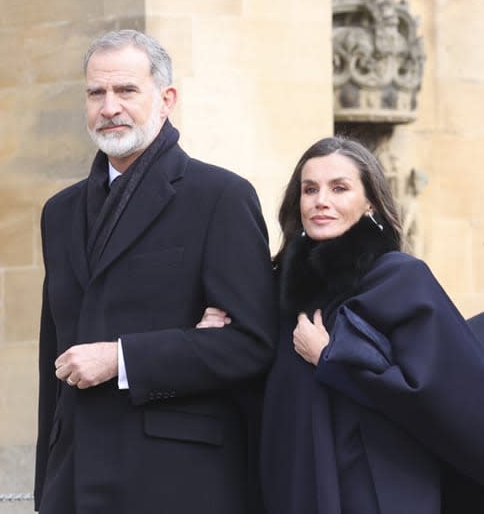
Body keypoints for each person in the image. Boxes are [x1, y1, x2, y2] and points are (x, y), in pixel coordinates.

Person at [34, 29, 277, 514]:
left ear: (166, 99)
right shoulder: (58, 213)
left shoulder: (219, 197)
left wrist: (123, 358)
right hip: (76, 481)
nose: (109, 107)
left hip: (179, 482)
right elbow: (51, 360)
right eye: (96, 93)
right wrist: (47, 487)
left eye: (126, 90)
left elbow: (252, 344)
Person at [199, 136, 484, 513]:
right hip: (292, 484)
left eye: (340, 188)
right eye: (310, 189)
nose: (321, 201)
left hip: (378, 488)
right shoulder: (277, 290)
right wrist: (217, 341)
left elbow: (447, 401)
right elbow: (261, 392)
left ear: (369, 202)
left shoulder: (401, 281)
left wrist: (332, 358)